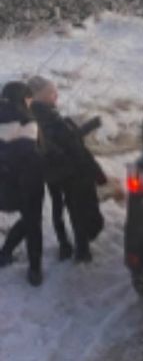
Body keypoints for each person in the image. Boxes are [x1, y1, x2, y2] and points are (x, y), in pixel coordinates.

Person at [27, 76, 106, 263]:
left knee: (71, 209)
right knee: (82, 211)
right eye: (52, 92)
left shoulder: (42, 113)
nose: (57, 95)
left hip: (61, 173)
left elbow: (67, 139)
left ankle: (76, 247)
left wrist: (88, 126)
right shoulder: (43, 116)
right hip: (72, 172)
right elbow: (61, 144)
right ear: (40, 95)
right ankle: (80, 249)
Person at [0, 81, 46, 286]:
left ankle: (5, 253)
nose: (30, 102)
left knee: (28, 220)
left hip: (3, 183)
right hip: (27, 182)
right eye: (28, 98)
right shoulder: (28, 121)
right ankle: (34, 269)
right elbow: (28, 153)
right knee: (33, 222)